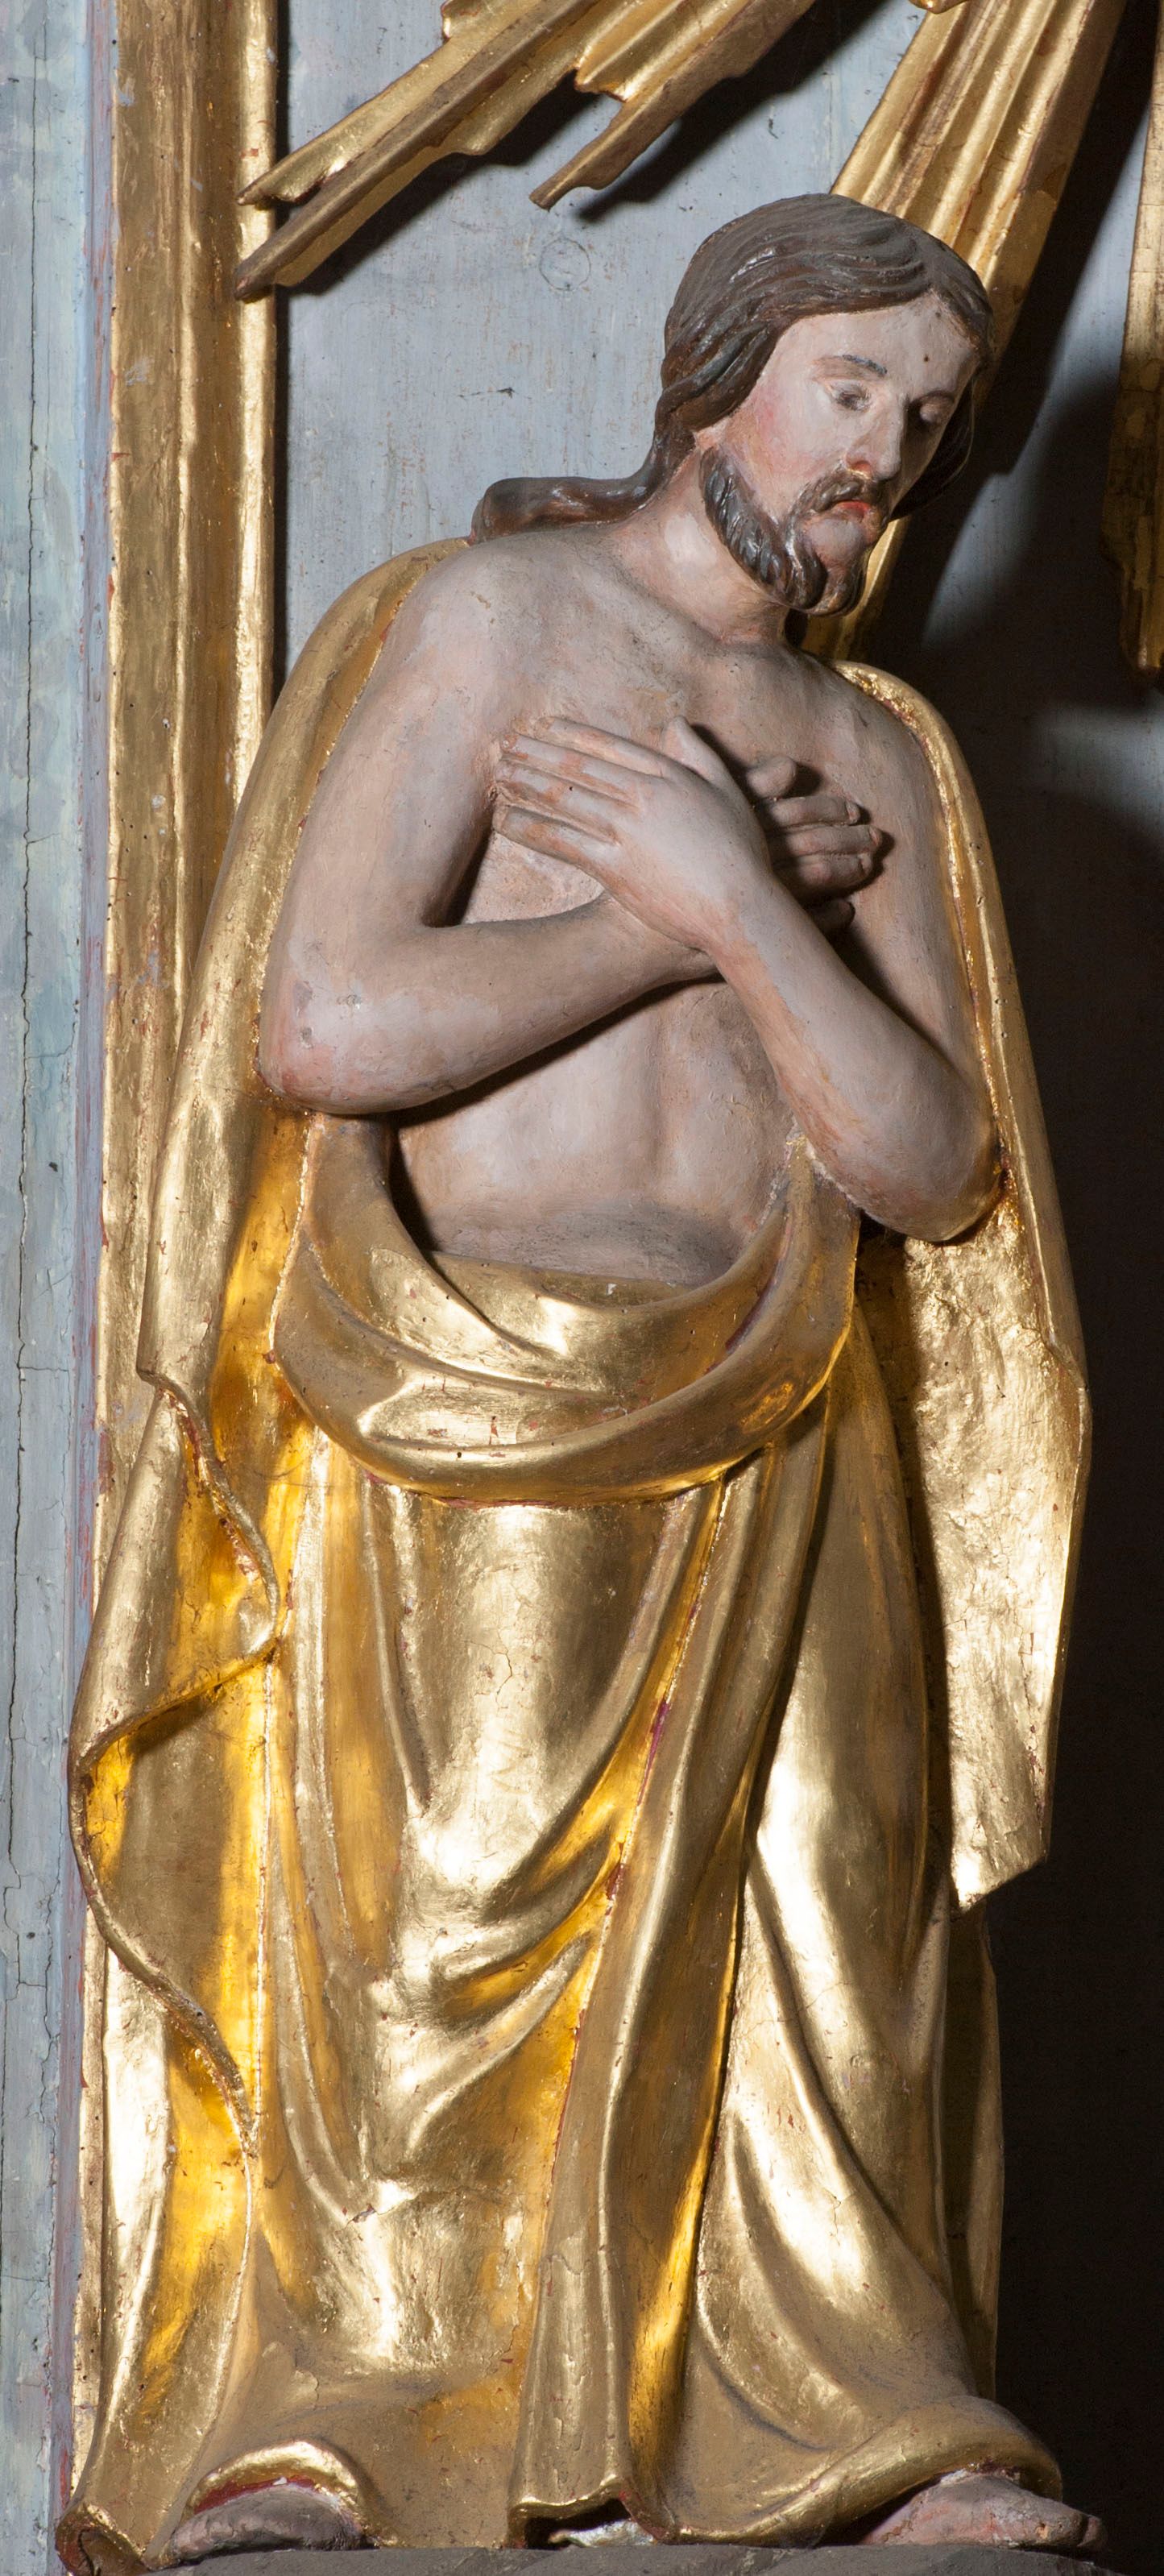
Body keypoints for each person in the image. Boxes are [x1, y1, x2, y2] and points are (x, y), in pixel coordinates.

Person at [60, 197, 1098, 2571]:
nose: (885, 454)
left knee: (829, 1932)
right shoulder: (490, 623)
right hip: (483, 1402)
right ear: (715, 378)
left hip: (795, 1408)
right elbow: (323, 1022)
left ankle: (863, 2412)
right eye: (850, 390)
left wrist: (738, 904)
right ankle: (343, 2417)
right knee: (439, 1934)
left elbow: (935, 1160)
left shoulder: (875, 746)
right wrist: (654, 917)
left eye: (930, 418)